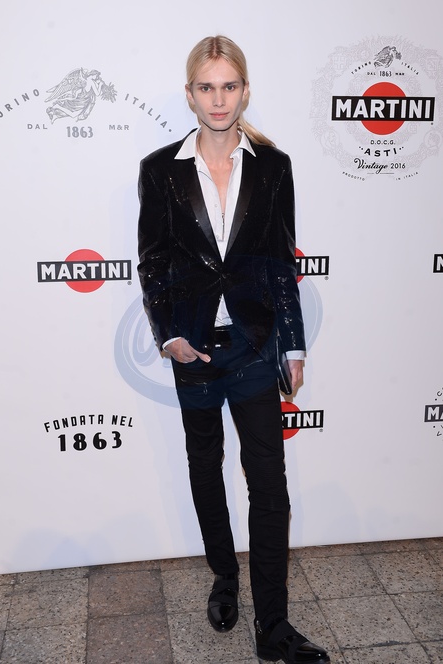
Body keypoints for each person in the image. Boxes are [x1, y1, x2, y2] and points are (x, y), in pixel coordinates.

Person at [137, 35, 330, 664]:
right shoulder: (160, 170)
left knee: (269, 484)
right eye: (206, 87)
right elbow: (152, 264)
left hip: (252, 347)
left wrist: (292, 344)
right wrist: (170, 336)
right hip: (194, 353)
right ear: (190, 94)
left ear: (245, 91)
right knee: (206, 468)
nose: (218, 100)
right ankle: (224, 577)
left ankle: (273, 624)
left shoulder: (274, 167)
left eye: (229, 86)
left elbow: (281, 262)